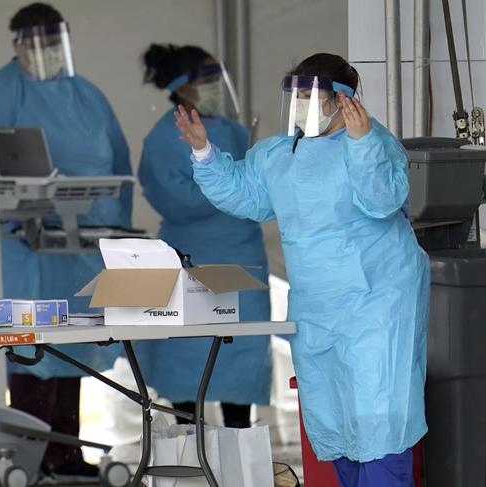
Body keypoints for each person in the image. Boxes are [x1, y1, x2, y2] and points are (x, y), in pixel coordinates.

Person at [175, 53, 429, 487]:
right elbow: (245, 195)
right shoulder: (280, 154)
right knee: (333, 422)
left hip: (377, 303)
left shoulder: (371, 142)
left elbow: (383, 200)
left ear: (341, 100)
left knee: (379, 420)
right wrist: (203, 152)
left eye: (311, 95)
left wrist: (364, 143)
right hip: (316, 307)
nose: (300, 104)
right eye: (295, 94)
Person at [0, 2, 132, 479]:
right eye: (41, 45)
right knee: (28, 351)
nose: (50, 53)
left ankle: (65, 454)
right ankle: (29, 458)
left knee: (71, 348)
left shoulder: (87, 96)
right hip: (20, 250)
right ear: (17, 46)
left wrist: (112, 232)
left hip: (78, 246)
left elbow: (117, 161)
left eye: (57, 44)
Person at [136, 43, 271, 427]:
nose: (216, 88)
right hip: (191, 260)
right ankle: (188, 462)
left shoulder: (234, 130)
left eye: (217, 79)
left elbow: (260, 186)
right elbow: (179, 200)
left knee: (240, 360)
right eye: (206, 81)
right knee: (187, 365)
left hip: (243, 261)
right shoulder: (164, 138)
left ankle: (236, 461)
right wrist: (233, 188)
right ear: (182, 88)